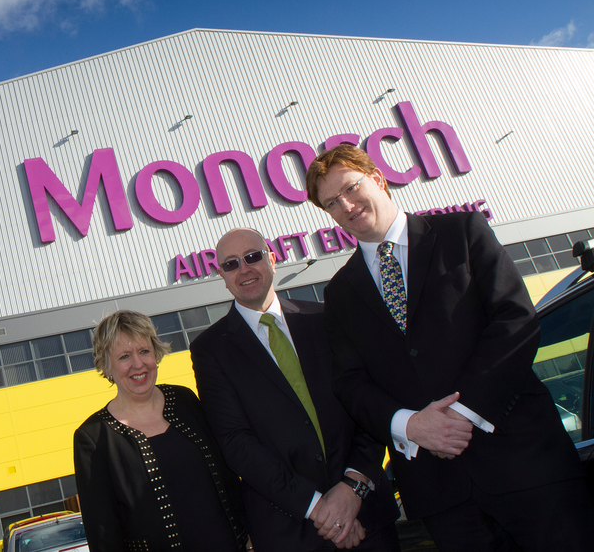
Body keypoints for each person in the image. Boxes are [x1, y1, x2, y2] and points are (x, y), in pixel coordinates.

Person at [304, 143, 594, 552]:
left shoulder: (463, 231)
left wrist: (462, 413)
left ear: (378, 179)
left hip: (529, 468)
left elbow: (515, 320)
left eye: (351, 188)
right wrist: (410, 425)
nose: (347, 205)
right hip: (442, 497)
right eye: (332, 202)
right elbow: (350, 384)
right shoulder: (339, 293)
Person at [190, 227, 401, 552]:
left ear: (272, 259)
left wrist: (351, 489)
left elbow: (365, 403)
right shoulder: (210, 350)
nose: (243, 269)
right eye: (231, 264)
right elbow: (235, 442)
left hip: (367, 516)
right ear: (221, 275)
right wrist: (318, 508)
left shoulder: (325, 317)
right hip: (290, 532)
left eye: (252, 257)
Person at [73, 310, 249, 552]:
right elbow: (103, 532)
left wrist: (248, 533)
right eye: (124, 356)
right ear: (107, 365)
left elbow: (228, 475)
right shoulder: (92, 437)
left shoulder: (185, 399)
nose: (138, 364)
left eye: (144, 351)